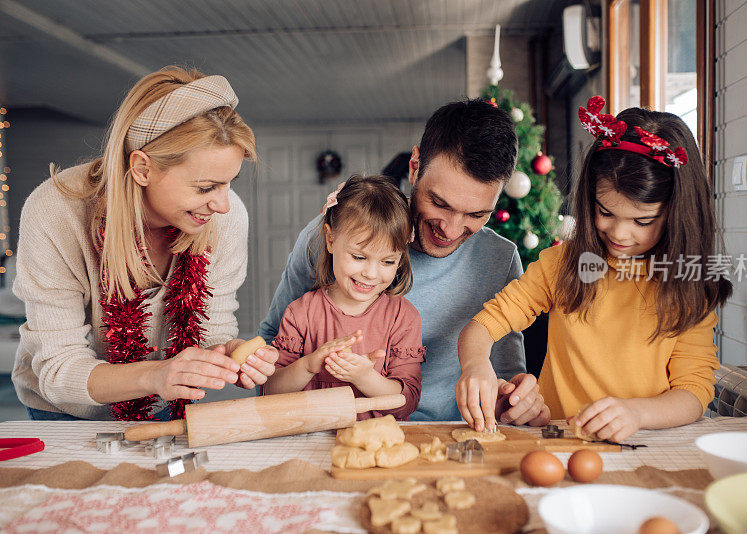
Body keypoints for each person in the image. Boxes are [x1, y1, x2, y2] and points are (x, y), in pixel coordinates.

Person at [457, 96, 732, 442]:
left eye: (642, 221)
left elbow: (693, 391)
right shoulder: (562, 266)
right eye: (605, 212)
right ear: (590, 199)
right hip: (560, 442)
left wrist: (637, 412)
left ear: (678, 214)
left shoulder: (689, 283)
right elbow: (481, 327)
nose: (619, 233)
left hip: (646, 443)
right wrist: (476, 365)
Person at [259, 99, 549, 427]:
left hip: (449, 434)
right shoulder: (332, 240)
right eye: (440, 203)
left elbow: (504, 373)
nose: (451, 230)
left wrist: (515, 399)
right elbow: (273, 341)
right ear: (414, 167)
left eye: (476, 214)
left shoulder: (500, 258)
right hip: (337, 429)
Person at [12, 66, 278, 421]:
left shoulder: (224, 217)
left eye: (228, 183)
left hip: (166, 403)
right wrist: (157, 375)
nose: (224, 205)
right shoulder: (54, 212)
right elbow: (59, 369)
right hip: (67, 413)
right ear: (141, 168)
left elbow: (212, 326)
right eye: (205, 187)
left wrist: (225, 353)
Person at [262, 175, 424, 420]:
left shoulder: (403, 317)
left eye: (388, 261)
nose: (370, 274)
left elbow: (407, 402)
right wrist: (308, 365)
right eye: (359, 257)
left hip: (375, 445)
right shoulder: (301, 312)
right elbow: (270, 392)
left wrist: (365, 377)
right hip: (309, 442)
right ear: (330, 239)